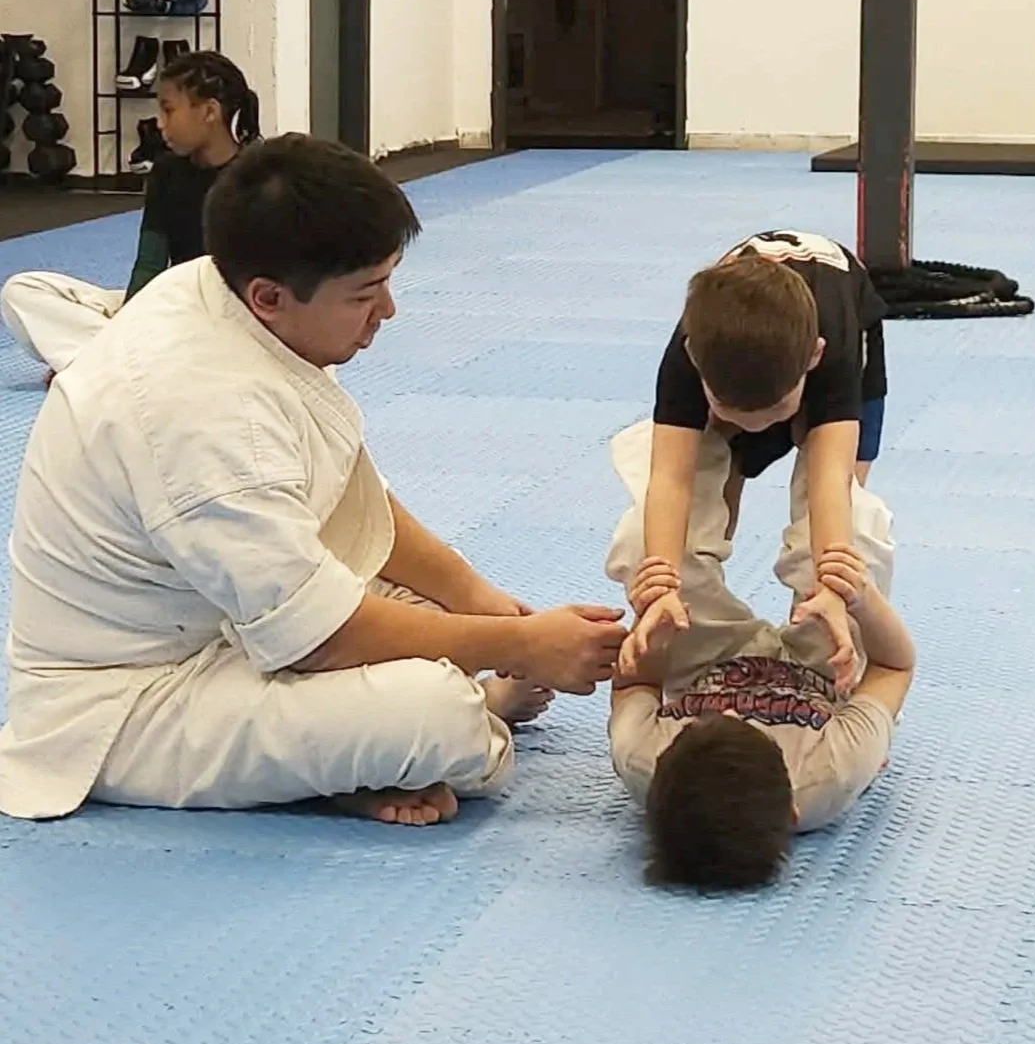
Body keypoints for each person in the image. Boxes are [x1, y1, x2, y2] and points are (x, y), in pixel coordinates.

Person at [0, 134, 628, 827]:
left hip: (220, 615)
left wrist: (482, 604)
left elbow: (348, 500)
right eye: (366, 293)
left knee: (435, 606)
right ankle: (428, 733)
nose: (387, 311)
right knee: (434, 715)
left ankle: (354, 753)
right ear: (270, 296)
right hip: (131, 698)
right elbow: (320, 637)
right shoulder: (201, 413)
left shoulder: (221, 289)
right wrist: (521, 647)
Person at [606, 420, 914, 892]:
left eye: (705, 722)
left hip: (709, 660)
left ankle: (703, 438)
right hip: (824, 666)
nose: (733, 710)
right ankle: (828, 443)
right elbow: (895, 666)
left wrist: (653, 619)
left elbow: (636, 683)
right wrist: (859, 599)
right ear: (793, 810)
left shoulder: (642, 758)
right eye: (751, 727)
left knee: (644, 549)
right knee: (851, 545)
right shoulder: (831, 771)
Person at [624, 230, 887, 691]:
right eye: (729, 410)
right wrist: (664, 586)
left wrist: (832, 591)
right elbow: (670, 481)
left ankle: (824, 659)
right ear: (695, 361)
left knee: (852, 525)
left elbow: (830, 482)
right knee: (674, 527)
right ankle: (711, 651)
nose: (758, 426)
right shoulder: (688, 355)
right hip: (753, 368)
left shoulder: (834, 353)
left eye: (777, 412)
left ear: (813, 357)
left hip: (843, 329)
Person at [1, 50, 260, 376]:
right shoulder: (166, 172)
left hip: (223, 320)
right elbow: (149, 263)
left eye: (168, 110)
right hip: (167, 309)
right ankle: (111, 358)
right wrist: (131, 317)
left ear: (209, 111)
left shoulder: (257, 177)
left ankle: (101, 360)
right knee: (21, 292)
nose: (160, 124)